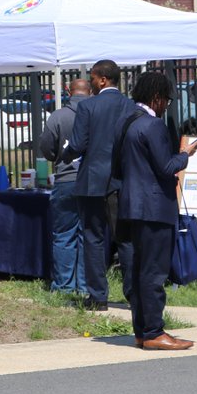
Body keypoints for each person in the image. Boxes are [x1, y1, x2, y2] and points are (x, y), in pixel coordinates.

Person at [114, 71, 197, 349]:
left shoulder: (125, 122)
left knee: (137, 271)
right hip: (153, 208)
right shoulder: (153, 125)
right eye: (167, 100)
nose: (167, 106)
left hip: (129, 206)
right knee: (154, 273)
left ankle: (142, 330)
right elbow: (166, 168)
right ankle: (153, 332)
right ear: (157, 97)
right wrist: (185, 154)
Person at [63, 59, 137, 311]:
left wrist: (65, 154)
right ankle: (133, 294)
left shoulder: (88, 106)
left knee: (93, 239)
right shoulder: (131, 106)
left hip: (92, 180)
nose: (91, 83)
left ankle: (98, 297)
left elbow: (77, 144)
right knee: (125, 239)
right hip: (121, 181)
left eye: (93, 78)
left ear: (103, 79)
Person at [38, 77, 92, 294]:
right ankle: (85, 286)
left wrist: (58, 157)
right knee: (87, 235)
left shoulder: (58, 116)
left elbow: (46, 147)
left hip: (66, 179)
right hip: (91, 181)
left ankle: (64, 287)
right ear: (90, 92)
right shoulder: (95, 115)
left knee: (63, 235)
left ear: (69, 92)